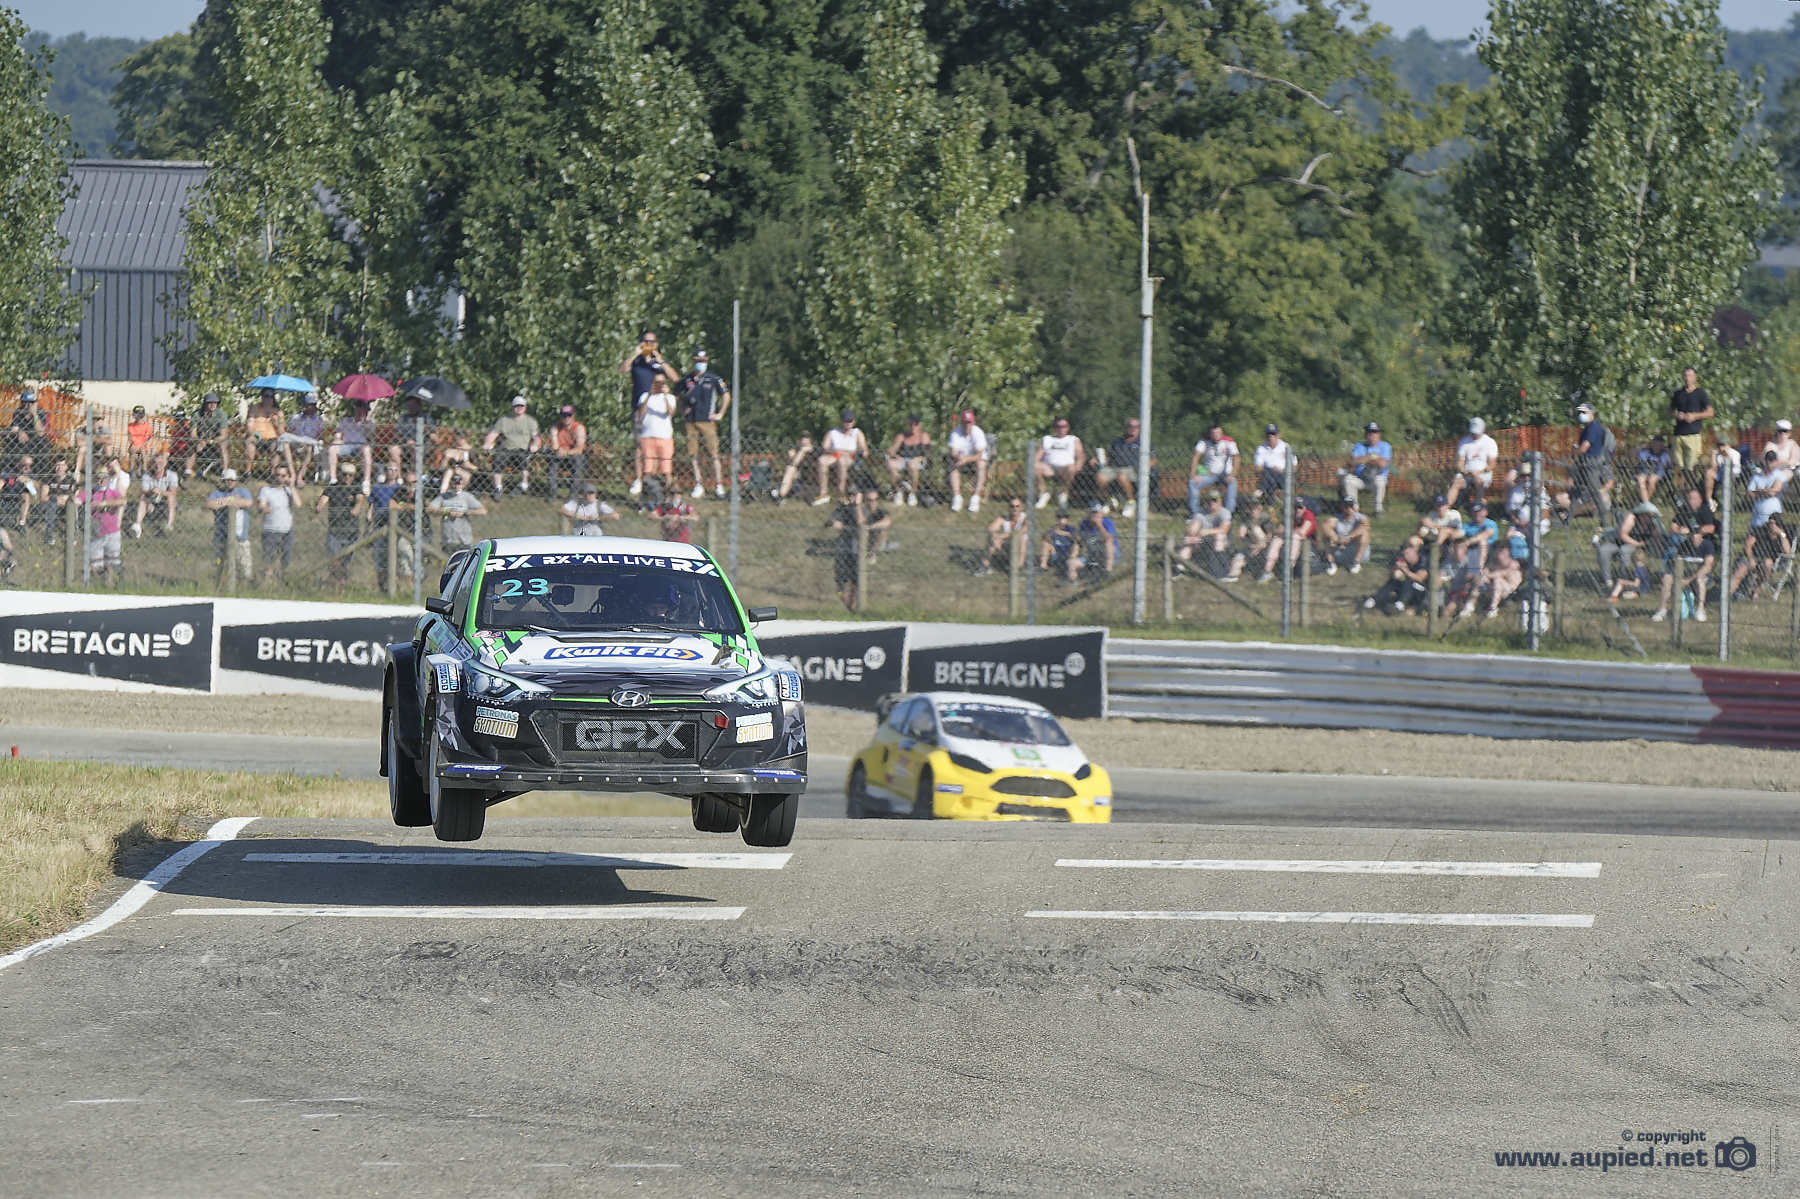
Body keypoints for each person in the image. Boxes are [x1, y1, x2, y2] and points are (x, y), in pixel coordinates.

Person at [1728, 449, 1792, 600]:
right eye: (1767, 460)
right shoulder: (1756, 476)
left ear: (1776, 462)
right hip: (1757, 522)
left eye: (1772, 460)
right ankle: (1741, 588)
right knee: (1748, 551)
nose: (1769, 463)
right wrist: (1765, 491)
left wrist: (1760, 492)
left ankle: (1755, 588)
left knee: (1767, 559)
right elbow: (1748, 494)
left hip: (1773, 521)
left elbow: (1774, 491)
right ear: (1764, 461)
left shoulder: (1779, 475)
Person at [622, 331, 679, 497]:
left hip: (659, 409)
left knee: (658, 450)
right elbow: (623, 369)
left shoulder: (659, 363)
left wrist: (660, 359)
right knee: (640, 446)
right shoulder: (637, 361)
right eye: (645, 341)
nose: (648, 344)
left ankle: (656, 483)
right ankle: (639, 480)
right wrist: (635, 353)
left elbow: (675, 378)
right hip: (640, 407)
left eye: (651, 341)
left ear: (656, 343)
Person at [1654, 487, 1717, 623]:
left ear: (1700, 500)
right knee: (1666, 578)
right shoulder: (1684, 544)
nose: (1691, 501)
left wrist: (1689, 579)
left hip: (1697, 573)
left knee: (1700, 579)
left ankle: (1700, 609)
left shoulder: (1707, 544)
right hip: (1684, 571)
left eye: (1694, 498)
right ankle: (1662, 609)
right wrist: (1679, 530)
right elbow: (1673, 527)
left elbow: (1708, 566)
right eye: (1689, 498)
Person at [679, 349, 731, 499]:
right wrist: (682, 409)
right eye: (697, 361)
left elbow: (726, 396)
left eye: (703, 361)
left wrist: (720, 413)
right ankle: (698, 483)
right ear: (693, 361)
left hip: (707, 421)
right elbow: (676, 394)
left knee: (713, 453)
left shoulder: (713, 378)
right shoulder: (687, 378)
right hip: (691, 421)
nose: (700, 363)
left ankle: (719, 485)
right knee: (693, 454)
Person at [1561, 401, 1615, 528]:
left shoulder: (1594, 427)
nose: (1581, 414)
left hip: (1590, 463)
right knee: (1576, 492)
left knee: (1595, 493)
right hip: (1583, 462)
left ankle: (1605, 523)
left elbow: (1584, 447)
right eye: (1580, 412)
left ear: (1592, 413)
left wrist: (1573, 453)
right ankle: (1568, 520)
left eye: (1584, 412)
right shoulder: (1588, 427)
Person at [316, 460, 366, 586]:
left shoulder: (356, 488)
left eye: (350, 475)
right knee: (334, 560)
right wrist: (320, 506)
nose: (347, 477)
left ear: (354, 476)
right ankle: (340, 582)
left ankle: (338, 582)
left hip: (351, 531)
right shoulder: (333, 488)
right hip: (335, 530)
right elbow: (323, 500)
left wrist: (356, 507)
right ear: (339, 474)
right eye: (344, 474)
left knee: (345, 561)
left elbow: (360, 500)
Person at [1603, 502, 1665, 603]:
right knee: (1608, 550)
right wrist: (1637, 543)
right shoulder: (1632, 519)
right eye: (1648, 515)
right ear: (1642, 514)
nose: (1650, 517)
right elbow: (1623, 534)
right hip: (1626, 543)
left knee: (1625, 552)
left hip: (1641, 587)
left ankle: (1617, 591)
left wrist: (1622, 582)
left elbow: (1657, 539)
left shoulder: (1653, 524)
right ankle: (1612, 583)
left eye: (1652, 516)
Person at [79, 462, 128, 584]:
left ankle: (110, 583)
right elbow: (78, 500)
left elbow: (122, 501)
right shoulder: (89, 492)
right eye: (99, 478)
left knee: (111, 562)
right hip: (96, 533)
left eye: (105, 478)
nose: (102, 481)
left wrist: (104, 504)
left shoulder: (113, 492)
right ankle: (98, 583)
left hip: (112, 532)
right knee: (96, 564)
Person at [206, 468, 255, 587]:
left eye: (232, 480)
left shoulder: (243, 492)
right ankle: (219, 585)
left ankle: (245, 587)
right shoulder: (217, 493)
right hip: (221, 536)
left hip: (240, 537)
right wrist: (230, 501)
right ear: (223, 480)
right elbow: (210, 504)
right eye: (227, 480)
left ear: (236, 481)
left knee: (245, 567)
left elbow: (248, 502)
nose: (230, 482)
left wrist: (225, 501)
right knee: (219, 564)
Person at [484, 394, 542, 496]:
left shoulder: (530, 421)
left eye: (521, 406)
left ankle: (524, 485)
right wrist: (487, 443)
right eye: (516, 406)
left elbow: (536, 438)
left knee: (523, 459)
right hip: (506, 449)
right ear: (512, 407)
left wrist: (535, 445)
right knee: (498, 459)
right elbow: (493, 434)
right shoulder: (503, 420)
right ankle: (498, 488)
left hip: (522, 449)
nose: (519, 408)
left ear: (525, 407)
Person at [256, 464, 301, 584]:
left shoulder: (288, 491)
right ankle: (268, 581)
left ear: (288, 476)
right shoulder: (266, 490)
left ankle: (282, 580)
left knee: (285, 559)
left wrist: (291, 486)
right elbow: (261, 505)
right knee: (269, 559)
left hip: (286, 530)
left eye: (283, 475)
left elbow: (298, 504)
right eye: (277, 475)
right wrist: (264, 508)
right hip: (270, 530)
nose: (280, 478)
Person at [814, 409, 868, 505]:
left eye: (850, 421)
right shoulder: (833, 432)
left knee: (842, 461)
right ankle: (823, 493)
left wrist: (857, 452)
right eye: (845, 421)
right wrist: (836, 451)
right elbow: (825, 446)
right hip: (834, 455)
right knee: (821, 460)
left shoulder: (857, 433)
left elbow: (864, 450)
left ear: (854, 421)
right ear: (841, 421)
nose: (848, 423)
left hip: (850, 457)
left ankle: (841, 493)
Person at [1363, 536, 1429, 613]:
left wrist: (1405, 571)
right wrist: (1397, 568)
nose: (1405, 551)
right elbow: (1395, 576)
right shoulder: (1403, 557)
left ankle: (1399, 606)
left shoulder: (1424, 560)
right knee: (1394, 582)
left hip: (1420, 591)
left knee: (1409, 580)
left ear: (1417, 550)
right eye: (1405, 547)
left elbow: (1420, 578)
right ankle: (1374, 600)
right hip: (1407, 589)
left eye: (1410, 547)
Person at [1032, 416, 1085, 511]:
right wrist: (1034, 462)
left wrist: (1078, 465)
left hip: (1066, 468)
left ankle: (1063, 493)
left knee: (1071, 468)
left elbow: (1080, 455)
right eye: (1058, 426)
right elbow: (1038, 454)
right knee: (1035, 466)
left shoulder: (1073, 439)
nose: (1061, 428)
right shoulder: (1047, 439)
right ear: (1055, 427)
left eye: (1064, 426)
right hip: (1049, 467)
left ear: (1068, 427)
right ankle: (1043, 493)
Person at [1670, 366, 1713, 481]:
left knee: (1691, 467)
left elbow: (1710, 412)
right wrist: (1677, 415)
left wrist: (1695, 416)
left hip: (1693, 435)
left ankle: (1691, 491)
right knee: (1679, 468)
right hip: (1678, 435)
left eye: (1690, 376)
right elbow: (1671, 411)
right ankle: (1679, 494)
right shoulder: (1678, 394)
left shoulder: (1700, 393)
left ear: (1694, 377)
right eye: (1685, 375)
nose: (1687, 378)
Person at [1177, 491, 1234, 578]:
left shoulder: (1224, 512)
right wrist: (1191, 533)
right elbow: (1193, 530)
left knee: (1219, 537)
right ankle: (1178, 570)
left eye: (1214, 500)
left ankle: (1219, 572)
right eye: (1209, 500)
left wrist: (1206, 531)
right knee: (1188, 544)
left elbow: (1224, 530)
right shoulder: (1200, 513)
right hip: (1203, 540)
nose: (1211, 503)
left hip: (1222, 541)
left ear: (1220, 501)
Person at [1338, 422, 1391, 515]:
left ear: (1379, 434)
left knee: (1380, 481)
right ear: (1366, 434)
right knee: (1348, 479)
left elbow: (1383, 464)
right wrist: (1371, 457)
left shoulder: (1385, 446)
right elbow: (1352, 462)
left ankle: (1378, 510)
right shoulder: (1359, 446)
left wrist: (1363, 459)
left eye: (1375, 432)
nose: (1372, 434)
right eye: (1369, 432)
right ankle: (1354, 509)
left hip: (1376, 479)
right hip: (1361, 479)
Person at [1445, 417, 1498, 508]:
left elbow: (1492, 464)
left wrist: (1479, 472)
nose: (1475, 434)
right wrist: (1464, 471)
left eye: (1477, 432)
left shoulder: (1490, 442)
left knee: (1479, 481)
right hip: (1467, 473)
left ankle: (1478, 507)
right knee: (1456, 482)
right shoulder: (1464, 442)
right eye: (1473, 432)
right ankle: (1445, 507)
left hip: (1483, 473)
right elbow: (1460, 462)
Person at [1098, 418, 1145, 518]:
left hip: (1132, 469)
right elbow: (1110, 456)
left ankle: (1130, 502)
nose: (1133, 429)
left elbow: (1153, 460)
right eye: (1130, 426)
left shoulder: (1143, 442)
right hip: (1113, 467)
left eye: (1136, 427)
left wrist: (1143, 467)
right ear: (1125, 427)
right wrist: (1099, 459)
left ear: (1139, 429)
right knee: (1100, 477)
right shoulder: (1117, 441)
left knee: (1122, 476)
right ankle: (1110, 500)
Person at [1189, 424, 1239, 516]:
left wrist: (1232, 474)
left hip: (1225, 475)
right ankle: (1195, 513)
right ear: (1210, 434)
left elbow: (1236, 458)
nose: (1216, 435)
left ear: (1222, 433)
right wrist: (1194, 474)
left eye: (1218, 433)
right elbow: (1195, 457)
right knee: (1192, 482)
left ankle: (1229, 513)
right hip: (1208, 474)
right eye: (1214, 433)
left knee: (1233, 482)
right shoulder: (1204, 441)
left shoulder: (1229, 441)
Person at [429, 471, 486, 549]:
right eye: (454, 483)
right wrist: (447, 512)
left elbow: (483, 511)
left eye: (458, 483)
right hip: (448, 540)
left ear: (462, 484)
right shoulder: (443, 496)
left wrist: (464, 512)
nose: (456, 486)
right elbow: (430, 509)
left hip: (464, 541)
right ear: (450, 483)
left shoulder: (467, 496)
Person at [946, 409, 989, 513]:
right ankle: (957, 497)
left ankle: (975, 498)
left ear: (973, 422)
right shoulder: (955, 432)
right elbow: (953, 452)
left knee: (981, 465)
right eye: (965, 422)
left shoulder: (978, 432)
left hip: (976, 460)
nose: (967, 425)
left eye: (969, 422)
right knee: (953, 465)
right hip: (961, 459)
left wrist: (966, 459)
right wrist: (959, 457)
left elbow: (979, 454)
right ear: (961, 422)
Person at [326, 398, 376, 486]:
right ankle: (333, 479)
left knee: (367, 449)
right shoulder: (345, 421)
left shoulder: (370, 423)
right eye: (362, 409)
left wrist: (365, 425)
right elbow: (338, 435)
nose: (364, 412)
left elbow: (371, 438)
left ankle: (366, 481)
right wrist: (338, 440)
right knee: (332, 449)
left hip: (361, 446)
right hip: (346, 445)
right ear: (356, 409)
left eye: (366, 410)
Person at [885, 414, 932, 507]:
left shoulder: (924, 436)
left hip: (918, 461)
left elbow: (928, 453)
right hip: (903, 460)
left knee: (912, 465)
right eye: (911, 424)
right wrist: (897, 456)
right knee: (891, 464)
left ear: (919, 425)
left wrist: (919, 458)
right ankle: (898, 492)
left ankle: (912, 493)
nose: (913, 426)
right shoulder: (902, 436)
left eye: (916, 424)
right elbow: (891, 451)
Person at [133, 451, 180, 538]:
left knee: (171, 497)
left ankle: (169, 525)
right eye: (155, 463)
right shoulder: (146, 475)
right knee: (143, 497)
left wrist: (161, 492)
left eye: (160, 463)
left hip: (164, 499)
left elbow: (173, 492)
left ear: (165, 464)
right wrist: (152, 492)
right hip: (151, 498)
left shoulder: (172, 475)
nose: (158, 465)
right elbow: (144, 491)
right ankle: (137, 525)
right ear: (152, 464)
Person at [1470, 543, 1524, 619]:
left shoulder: (1513, 564)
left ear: (1508, 552)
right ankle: (1469, 605)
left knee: (1497, 580)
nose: (1499, 554)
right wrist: (1482, 576)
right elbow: (1484, 573)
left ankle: (1493, 608)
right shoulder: (1493, 563)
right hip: (1493, 590)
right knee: (1480, 579)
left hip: (1510, 591)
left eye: (1502, 552)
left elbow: (1501, 573)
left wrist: (1487, 576)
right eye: (1498, 551)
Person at [1318, 498, 1370, 575]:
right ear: (1342, 507)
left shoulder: (1361, 517)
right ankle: (1331, 563)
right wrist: (1336, 538)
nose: (1349, 509)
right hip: (1340, 550)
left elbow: (1365, 525)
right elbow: (1325, 526)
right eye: (1346, 506)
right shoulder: (1336, 518)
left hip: (1357, 552)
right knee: (1325, 535)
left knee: (1365, 534)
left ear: (1355, 507)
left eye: (1351, 506)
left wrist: (1349, 537)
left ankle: (1356, 563)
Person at [546, 403, 588, 499]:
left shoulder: (579, 428)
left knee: (578, 460)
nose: (566, 417)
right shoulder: (555, 427)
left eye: (569, 415)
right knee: (552, 461)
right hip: (559, 455)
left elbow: (580, 448)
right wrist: (558, 450)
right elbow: (554, 445)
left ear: (573, 415)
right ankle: (552, 493)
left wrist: (566, 452)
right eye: (564, 415)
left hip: (574, 456)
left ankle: (573, 494)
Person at [978, 497, 1027, 576]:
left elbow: (1023, 530)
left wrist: (1002, 536)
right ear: (1009, 507)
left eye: (1017, 506)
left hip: (1021, 546)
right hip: (1006, 544)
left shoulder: (1025, 518)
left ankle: (1019, 568)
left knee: (1022, 538)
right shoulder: (1004, 518)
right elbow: (990, 528)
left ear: (1021, 507)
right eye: (1012, 506)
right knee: (991, 538)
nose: (1015, 508)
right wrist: (994, 537)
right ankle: (985, 566)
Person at [284, 393, 328, 480]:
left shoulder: (318, 419)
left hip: (310, 444)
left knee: (309, 448)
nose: (311, 407)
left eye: (313, 405)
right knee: (285, 444)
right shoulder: (296, 418)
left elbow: (321, 434)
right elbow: (289, 431)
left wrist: (319, 439)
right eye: (309, 405)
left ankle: (300, 476)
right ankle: (291, 472)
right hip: (296, 442)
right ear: (305, 405)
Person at [4, 389, 52, 465]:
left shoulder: (40, 412)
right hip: (22, 442)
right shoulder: (18, 412)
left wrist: (34, 414)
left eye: (32, 403)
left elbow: (40, 433)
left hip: (36, 441)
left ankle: (42, 470)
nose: (29, 405)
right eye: (26, 403)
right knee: (11, 440)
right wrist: (19, 431)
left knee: (44, 443)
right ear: (22, 403)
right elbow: (14, 428)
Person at [243, 390, 284, 476]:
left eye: (270, 396)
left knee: (276, 445)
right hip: (257, 436)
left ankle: (273, 473)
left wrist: (274, 422)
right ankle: (248, 472)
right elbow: (249, 425)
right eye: (265, 396)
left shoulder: (278, 412)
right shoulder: (255, 408)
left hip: (272, 438)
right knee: (250, 441)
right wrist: (252, 434)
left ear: (273, 398)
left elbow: (281, 432)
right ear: (262, 397)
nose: (267, 399)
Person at [188, 393, 229, 477]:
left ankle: (225, 472)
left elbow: (224, 435)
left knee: (223, 445)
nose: (213, 405)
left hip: (216, 440)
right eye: (210, 402)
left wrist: (211, 441)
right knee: (193, 446)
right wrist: (199, 441)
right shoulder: (196, 414)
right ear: (205, 404)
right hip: (201, 439)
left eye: (215, 402)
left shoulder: (221, 414)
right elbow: (193, 434)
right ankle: (187, 471)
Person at [36, 457, 74, 545]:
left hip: (65, 506)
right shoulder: (48, 479)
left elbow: (71, 497)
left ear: (66, 467)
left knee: (71, 505)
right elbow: (43, 498)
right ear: (54, 466)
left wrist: (54, 497)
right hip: (48, 505)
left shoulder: (71, 480)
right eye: (57, 465)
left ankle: (72, 535)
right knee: (52, 502)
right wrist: (58, 498)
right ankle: (50, 535)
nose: (59, 468)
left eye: (62, 465)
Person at [1252, 423, 1293, 503]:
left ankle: (1261, 490)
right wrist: (1271, 470)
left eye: (1273, 434)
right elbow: (1258, 468)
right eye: (1268, 434)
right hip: (1268, 476)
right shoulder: (1261, 448)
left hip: (1283, 476)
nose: (1271, 437)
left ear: (1278, 435)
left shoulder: (1285, 447)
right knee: (1270, 476)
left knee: (1269, 474)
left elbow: (1294, 465)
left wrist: (1283, 470)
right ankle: (1271, 504)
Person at [1039, 508, 1082, 582]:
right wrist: (1050, 535)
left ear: (1067, 519)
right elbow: (1045, 537)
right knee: (1045, 544)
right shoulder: (1053, 528)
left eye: (1064, 517)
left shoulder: (1071, 529)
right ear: (1057, 518)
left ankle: (1070, 567)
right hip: (1056, 554)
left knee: (1076, 546)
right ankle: (1043, 566)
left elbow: (1078, 539)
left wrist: (1064, 533)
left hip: (1068, 555)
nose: (1062, 519)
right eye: (1059, 517)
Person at [1076, 501, 1118, 575]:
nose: (1095, 515)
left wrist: (1099, 525)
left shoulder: (1107, 522)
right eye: (1093, 512)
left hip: (1110, 555)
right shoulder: (1085, 523)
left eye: (1097, 512)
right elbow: (1079, 540)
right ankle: (1073, 583)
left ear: (1101, 513)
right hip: (1092, 554)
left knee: (1108, 544)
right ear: (1089, 514)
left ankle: (1108, 572)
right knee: (1072, 563)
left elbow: (1110, 539)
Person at [0, 454, 36, 535]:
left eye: (30, 465)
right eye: (24, 465)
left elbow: (34, 494)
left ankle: (21, 524)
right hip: (6, 497)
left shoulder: (30, 474)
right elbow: (1, 482)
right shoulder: (9, 471)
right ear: (18, 463)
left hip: (21, 499)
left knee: (26, 496)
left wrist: (28, 481)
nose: (27, 468)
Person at [773, 434, 815, 503]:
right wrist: (799, 452)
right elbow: (793, 463)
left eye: (807, 438)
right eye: (803, 438)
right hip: (796, 475)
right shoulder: (797, 449)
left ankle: (780, 496)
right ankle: (780, 496)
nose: (804, 441)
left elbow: (795, 463)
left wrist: (802, 451)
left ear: (810, 441)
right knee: (790, 468)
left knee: (791, 469)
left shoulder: (813, 450)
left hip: (809, 476)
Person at [1634, 434, 1672, 505]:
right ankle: (1646, 503)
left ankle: (1644, 503)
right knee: (1641, 480)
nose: (1656, 446)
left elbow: (1672, 462)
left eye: (1659, 444)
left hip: (1658, 474)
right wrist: (1643, 446)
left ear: (1662, 445)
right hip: (1645, 472)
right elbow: (1633, 454)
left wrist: (1667, 450)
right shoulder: (1645, 453)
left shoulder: (1665, 455)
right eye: (1654, 443)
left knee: (1652, 480)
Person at [124, 405, 155, 475]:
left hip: (143, 446)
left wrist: (139, 446)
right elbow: (130, 438)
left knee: (143, 451)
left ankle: (144, 470)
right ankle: (131, 471)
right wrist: (135, 445)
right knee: (132, 451)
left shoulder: (147, 426)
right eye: (137, 416)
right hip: (134, 445)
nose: (139, 418)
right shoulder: (130, 426)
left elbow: (146, 439)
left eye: (140, 416)